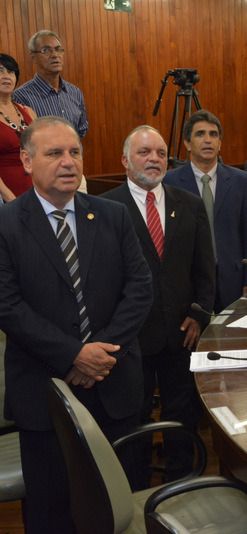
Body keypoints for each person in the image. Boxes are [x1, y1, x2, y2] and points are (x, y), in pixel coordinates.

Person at [0, 117, 152, 532]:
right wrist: (74, 354)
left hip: (114, 386)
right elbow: (7, 306)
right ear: (26, 161)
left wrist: (100, 353)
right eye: (54, 153)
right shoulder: (6, 224)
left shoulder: (113, 215)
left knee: (120, 509)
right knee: (53, 514)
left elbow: (140, 288)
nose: (68, 162)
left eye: (74, 152)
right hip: (44, 394)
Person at [102, 126, 216, 486]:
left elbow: (205, 268)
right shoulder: (106, 208)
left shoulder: (190, 204)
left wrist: (199, 314)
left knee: (182, 415)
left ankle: (181, 486)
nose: (154, 159)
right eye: (144, 152)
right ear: (125, 160)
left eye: (161, 153)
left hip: (181, 334)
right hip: (130, 341)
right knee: (133, 418)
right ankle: (135, 492)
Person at [163, 110, 247, 312]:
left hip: (232, 278)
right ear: (187, 143)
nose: (208, 140)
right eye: (200, 134)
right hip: (188, 281)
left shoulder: (239, 180)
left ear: (220, 143)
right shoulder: (170, 181)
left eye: (213, 134)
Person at [14, 30, 87, 138]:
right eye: (46, 50)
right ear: (33, 57)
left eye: (58, 49)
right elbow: (24, 138)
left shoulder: (74, 92)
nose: (55, 55)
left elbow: (81, 130)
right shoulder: (21, 96)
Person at [0, 53, 36, 200]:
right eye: (0, 71)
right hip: (5, 195)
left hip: (36, 188)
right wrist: (8, 197)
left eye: (11, 72)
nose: (6, 76)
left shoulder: (28, 112)